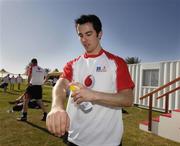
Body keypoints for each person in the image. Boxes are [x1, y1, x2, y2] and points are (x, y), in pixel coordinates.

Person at [46, 14, 135, 146]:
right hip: (75, 139)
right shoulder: (73, 64)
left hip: (108, 142)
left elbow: (127, 99)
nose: (84, 40)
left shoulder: (116, 62)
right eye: (80, 35)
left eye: (88, 34)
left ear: (99, 34)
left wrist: (93, 95)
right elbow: (60, 85)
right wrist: (57, 106)